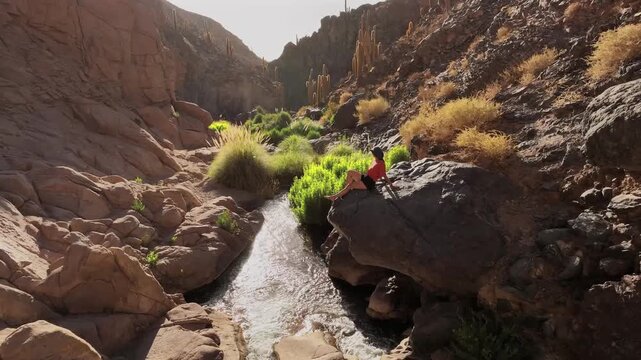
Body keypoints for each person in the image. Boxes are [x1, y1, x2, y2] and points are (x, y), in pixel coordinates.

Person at [325, 147, 396, 202]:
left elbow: (384, 175)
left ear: (376, 154)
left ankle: (335, 197)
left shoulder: (381, 164)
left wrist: (391, 185)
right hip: (365, 177)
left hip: (369, 183)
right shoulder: (375, 160)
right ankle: (345, 191)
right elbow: (373, 171)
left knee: (351, 185)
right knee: (350, 172)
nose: (372, 154)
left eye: (373, 153)